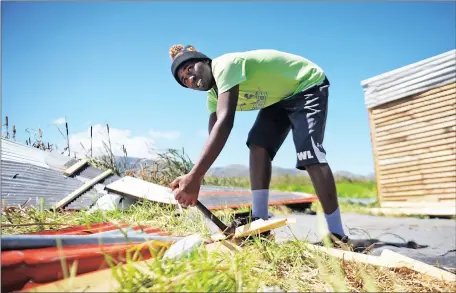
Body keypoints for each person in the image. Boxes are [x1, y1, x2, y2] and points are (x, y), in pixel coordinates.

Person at [168, 44, 347, 243]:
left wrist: (195, 177)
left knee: (309, 154)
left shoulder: (224, 65)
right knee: (258, 144)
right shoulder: (213, 95)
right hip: (280, 98)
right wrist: (193, 177)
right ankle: (260, 218)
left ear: (205, 61)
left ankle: (338, 234)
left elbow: (225, 122)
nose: (190, 79)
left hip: (306, 84)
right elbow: (214, 135)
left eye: (190, 69)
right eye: (184, 80)